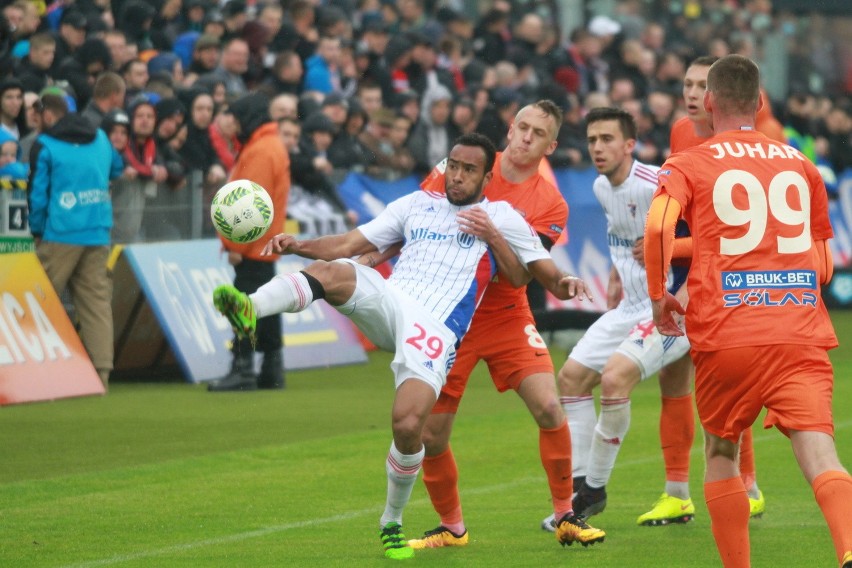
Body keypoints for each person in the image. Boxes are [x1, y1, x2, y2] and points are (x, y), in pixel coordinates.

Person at [211, 132, 600, 560]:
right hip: (393, 301)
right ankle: (249, 308)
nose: (456, 176)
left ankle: (391, 521)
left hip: (434, 330)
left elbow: (534, 275)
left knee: (409, 424)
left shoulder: (502, 217)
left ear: (487, 177)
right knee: (336, 269)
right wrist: (297, 244)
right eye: (452, 165)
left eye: (469, 170)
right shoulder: (416, 204)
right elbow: (348, 244)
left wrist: (558, 278)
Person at [644, 54, 852, 568]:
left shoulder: (688, 163)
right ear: (759, 103)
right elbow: (823, 263)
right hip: (798, 329)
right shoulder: (800, 163)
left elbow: (656, 230)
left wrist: (659, 296)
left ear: (710, 102)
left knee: (721, 451)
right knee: (821, 453)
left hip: (727, 331)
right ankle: (849, 547)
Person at [405, 101, 605, 550]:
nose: (526, 138)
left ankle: (564, 514)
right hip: (450, 316)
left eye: (538, 133)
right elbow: (420, 216)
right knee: (431, 434)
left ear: (550, 145)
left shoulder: (549, 202)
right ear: (510, 129)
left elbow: (523, 270)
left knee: (550, 408)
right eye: (522, 127)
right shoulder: (466, 163)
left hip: (506, 314)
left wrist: (496, 236)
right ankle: (452, 527)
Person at [543, 107, 694, 528]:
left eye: (607, 139)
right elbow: (624, 235)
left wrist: (674, 285)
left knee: (614, 378)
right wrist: (615, 271)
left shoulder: (657, 185)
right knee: (570, 378)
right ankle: (578, 490)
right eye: (592, 140)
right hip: (628, 306)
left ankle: (594, 490)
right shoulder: (599, 186)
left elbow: (703, 242)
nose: (597, 148)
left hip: (667, 308)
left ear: (630, 145)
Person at [27, 93, 123, 388]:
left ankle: (33, 372)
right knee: (95, 303)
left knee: (40, 300)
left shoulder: (45, 145)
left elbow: (38, 194)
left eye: (35, 118)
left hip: (60, 233)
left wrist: (37, 229)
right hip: (97, 229)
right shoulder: (101, 139)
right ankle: (101, 373)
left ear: (47, 115)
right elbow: (117, 168)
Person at [207, 92, 290, 392]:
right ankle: (272, 368)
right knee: (266, 306)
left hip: (252, 244)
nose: (236, 124)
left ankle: (242, 369)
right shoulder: (270, 145)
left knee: (244, 304)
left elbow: (245, 207)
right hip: (264, 244)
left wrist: (233, 246)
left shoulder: (260, 150)